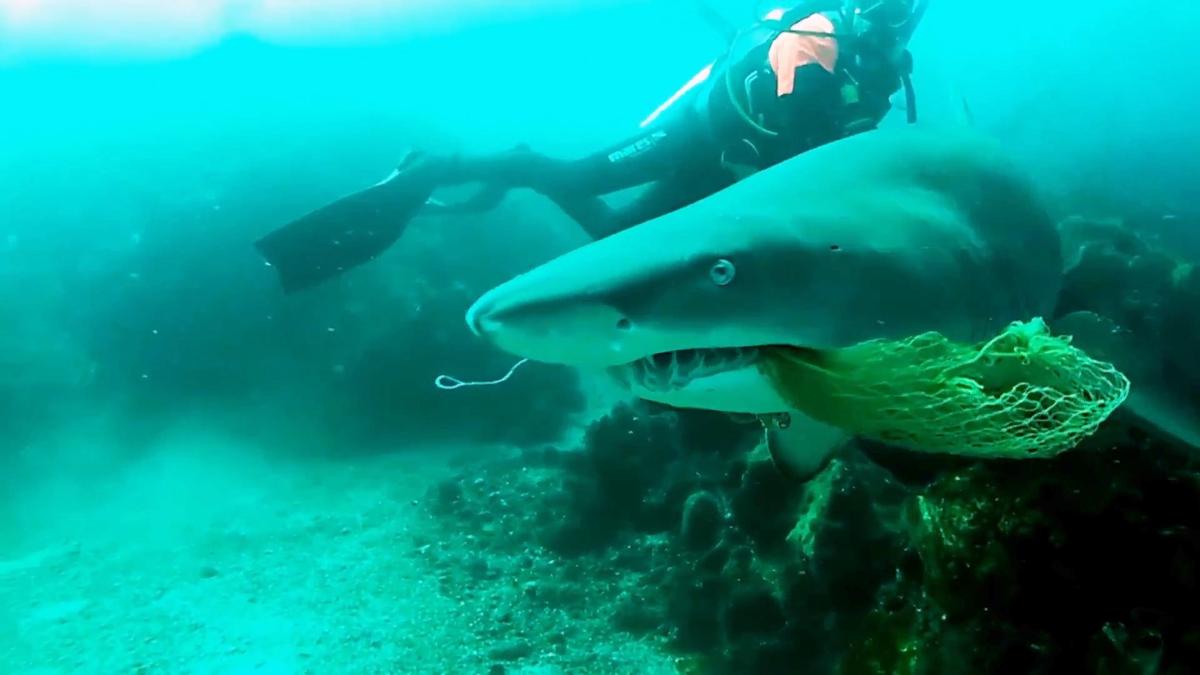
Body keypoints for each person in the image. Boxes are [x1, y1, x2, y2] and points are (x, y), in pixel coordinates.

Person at [256, 0, 928, 293]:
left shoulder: (884, 70)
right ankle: (459, 166)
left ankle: (489, 183)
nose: (895, 15)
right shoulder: (819, 35)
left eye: (909, 7)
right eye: (889, 2)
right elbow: (790, 112)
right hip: (697, 139)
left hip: (733, 179)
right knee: (578, 179)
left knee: (614, 246)